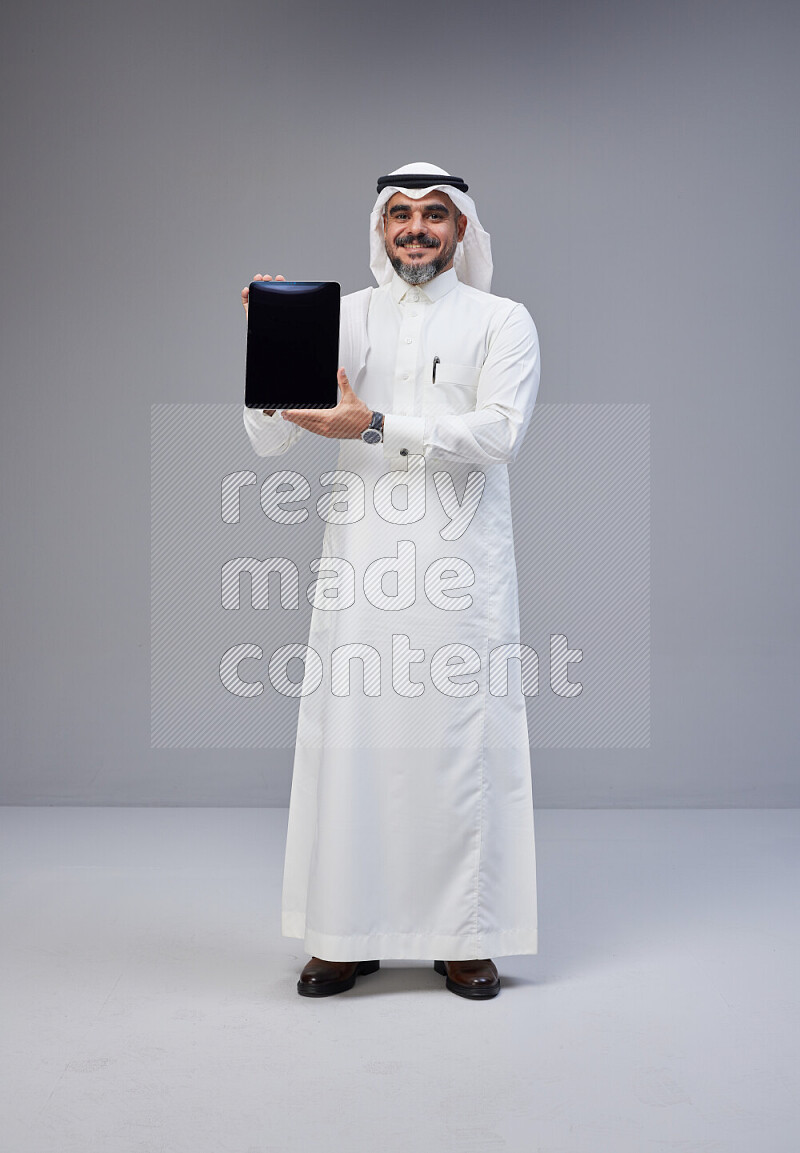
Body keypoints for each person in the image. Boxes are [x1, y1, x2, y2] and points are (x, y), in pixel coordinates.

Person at [241, 162, 541, 1000]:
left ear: (461, 230)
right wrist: (270, 345)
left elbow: (499, 434)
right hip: (362, 568)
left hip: (459, 576)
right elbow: (271, 441)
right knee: (356, 747)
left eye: (434, 215)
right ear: (380, 229)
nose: (415, 228)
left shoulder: (502, 320)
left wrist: (370, 422)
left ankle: (465, 936)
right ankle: (345, 933)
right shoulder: (344, 320)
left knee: (456, 750)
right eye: (400, 214)